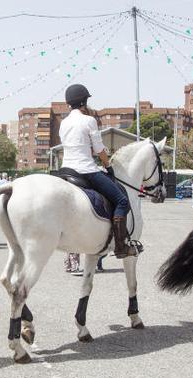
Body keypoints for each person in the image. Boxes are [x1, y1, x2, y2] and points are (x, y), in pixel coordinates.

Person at [59, 83, 137, 258]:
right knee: (122, 201)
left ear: (69, 103)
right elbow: (98, 149)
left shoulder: (63, 123)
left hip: (65, 170)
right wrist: (108, 165)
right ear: (84, 101)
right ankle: (120, 247)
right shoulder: (89, 120)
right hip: (85, 170)